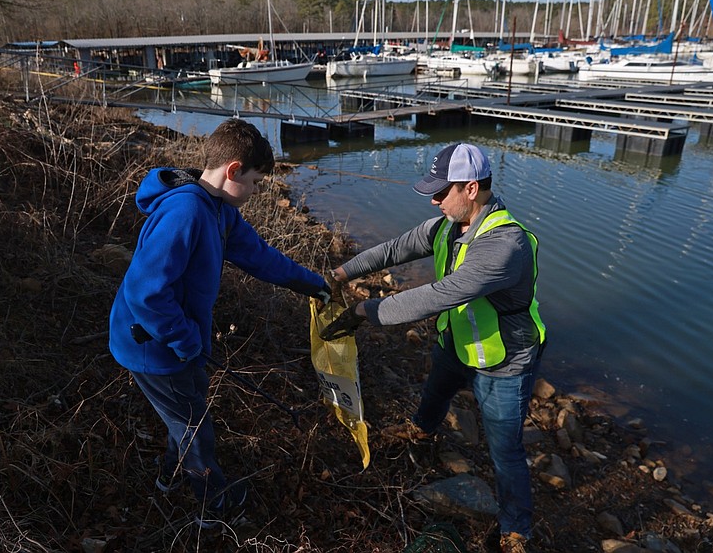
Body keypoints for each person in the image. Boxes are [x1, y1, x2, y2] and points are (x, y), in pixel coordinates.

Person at [321, 143, 546, 553]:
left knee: (505, 450)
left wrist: (362, 311)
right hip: (456, 342)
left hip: (503, 361)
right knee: (435, 394)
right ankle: (421, 430)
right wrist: (341, 272)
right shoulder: (446, 225)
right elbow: (396, 249)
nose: (435, 199)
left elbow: (438, 295)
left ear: (472, 188)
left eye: (443, 192)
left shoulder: (504, 246)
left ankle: (516, 529)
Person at [108, 118, 331, 529]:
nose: (255, 191)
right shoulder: (186, 211)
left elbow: (259, 256)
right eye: (255, 182)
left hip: (171, 341)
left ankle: (168, 474)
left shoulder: (217, 209)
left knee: (184, 412)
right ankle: (214, 505)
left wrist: (312, 284)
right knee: (194, 425)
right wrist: (188, 341)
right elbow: (146, 293)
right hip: (152, 344)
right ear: (232, 170)